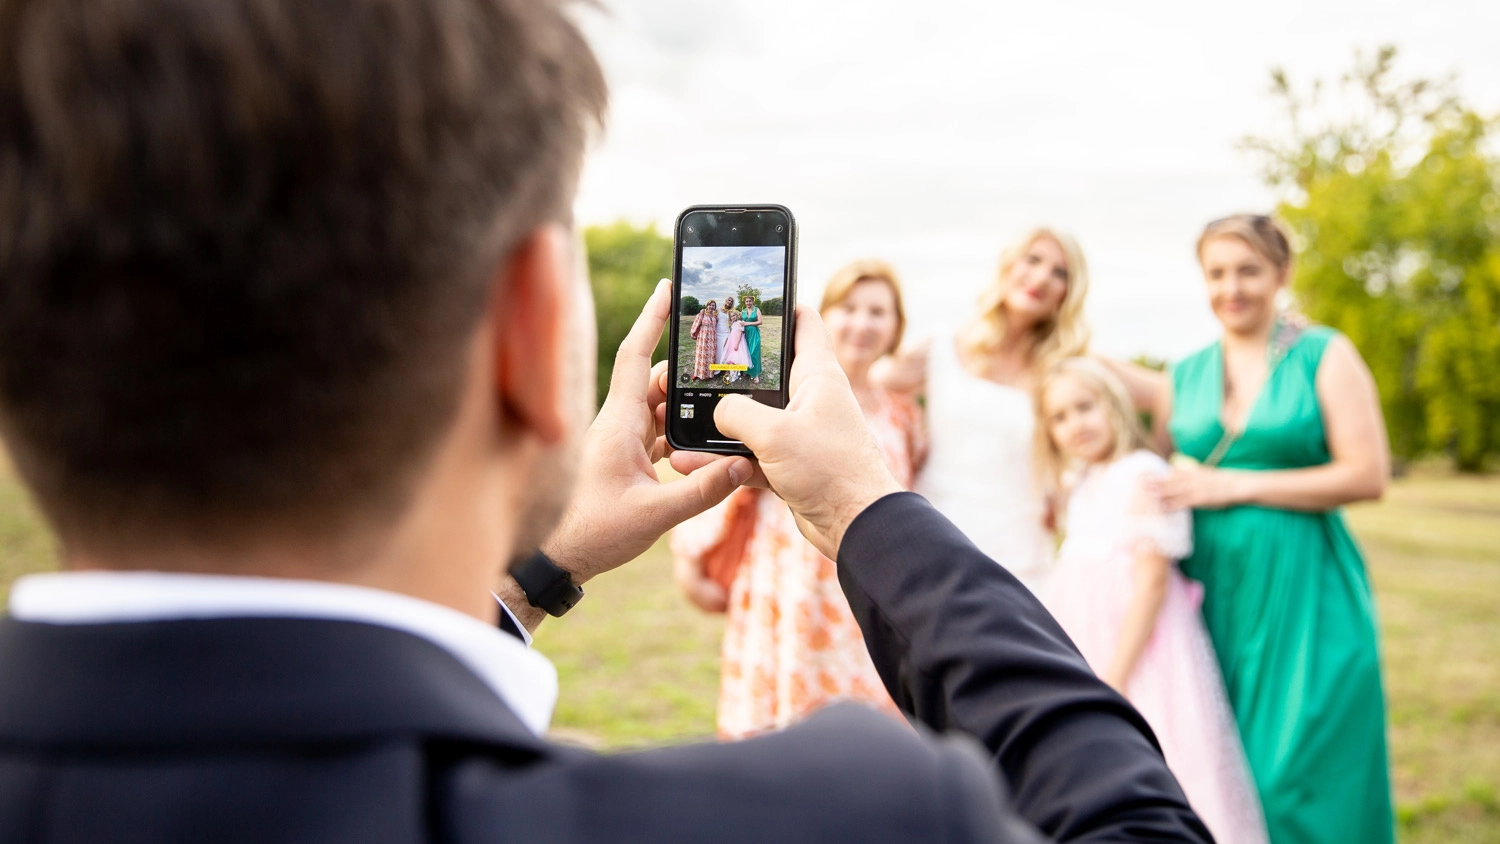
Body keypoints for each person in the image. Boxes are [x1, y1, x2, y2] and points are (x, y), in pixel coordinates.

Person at [0, 2, 1213, 842]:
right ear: (530, 333)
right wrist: (863, 510)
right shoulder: (852, 819)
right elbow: (1128, 819)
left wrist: (537, 574)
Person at [1109, 214, 1395, 844]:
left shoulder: (1324, 353)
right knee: (1216, 775)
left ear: (1281, 274)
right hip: (1208, 596)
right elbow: (1142, 459)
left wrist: (1235, 486)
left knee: (1294, 777)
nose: (1230, 288)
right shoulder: (1185, 373)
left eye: (1248, 270)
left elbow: (1368, 474)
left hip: (1305, 596)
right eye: (1216, 273)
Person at [672, 260, 923, 739]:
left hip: (866, 592)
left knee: (861, 743)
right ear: (823, 317)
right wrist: (690, 561)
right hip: (786, 585)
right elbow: (730, 474)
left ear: (895, 328)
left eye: (878, 311)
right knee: (777, 732)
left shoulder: (905, 417)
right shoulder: (782, 397)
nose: (863, 322)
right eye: (850, 308)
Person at [1035, 358, 1268, 844]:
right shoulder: (1080, 485)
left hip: (1145, 652)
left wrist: (1115, 676)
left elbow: (1151, 584)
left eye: (1085, 407)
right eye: (1059, 417)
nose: (1075, 423)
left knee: (1166, 755)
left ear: (1114, 406)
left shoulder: (1141, 473)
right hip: (1090, 643)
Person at [876, 228, 1090, 596]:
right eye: (1033, 260)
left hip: (1020, 557)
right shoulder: (942, 346)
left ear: (1068, 294)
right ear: (1008, 265)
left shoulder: (1065, 368)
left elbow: (1159, 394)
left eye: (1060, 273)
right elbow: (867, 385)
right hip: (935, 541)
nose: (1041, 278)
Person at [690, 300, 719, 380]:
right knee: (701, 355)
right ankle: (697, 373)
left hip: (712, 338)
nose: (711, 307)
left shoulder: (715, 316)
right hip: (703, 337)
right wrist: (693, 333)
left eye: (713, 305)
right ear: (707, 306)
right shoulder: (702, 314)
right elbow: (696, 323)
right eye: (710, 305)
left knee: (710, 356)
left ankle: (708, 374)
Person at [740, 294, 763, 382]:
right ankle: (747, 370)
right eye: (747, 301)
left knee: (754, 352)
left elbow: (760, 322)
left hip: (754, 333)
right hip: (745, 333)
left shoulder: (757, 310)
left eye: (750, 301)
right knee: (745, 352)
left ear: (752, 302)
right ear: (745, 302)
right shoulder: (743, 311)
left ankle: (755, 374)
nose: (748, 303)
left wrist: (748, 323)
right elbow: (740, 321)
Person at [722, 308, 750, 383]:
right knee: (732, 357)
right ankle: (733, 373)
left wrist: (737, 344)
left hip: (738, 342)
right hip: (732, 342)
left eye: (734, 315)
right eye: (731, 316)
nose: (733, 317)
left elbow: (740, 333)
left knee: (737, 358)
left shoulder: (739, 323)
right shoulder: (733, 323)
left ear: (737, 315)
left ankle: (735, 374)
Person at [716, 294, 737, 375]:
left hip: (726, 333)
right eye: (728, 300)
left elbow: (736, 318)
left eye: (731, 301)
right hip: (718, 333)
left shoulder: (731, 312)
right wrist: (703, 311)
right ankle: (718, 368)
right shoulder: (718, 310)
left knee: (725, 350)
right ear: (725, 301)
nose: (729, 302)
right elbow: (710, 314)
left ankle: (726, 369)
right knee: (718, 351)